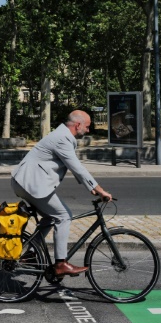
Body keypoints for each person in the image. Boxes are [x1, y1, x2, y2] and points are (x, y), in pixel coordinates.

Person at [11, 110, 112, 278]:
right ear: (78, 125)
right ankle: (60, 264)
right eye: (87, 127)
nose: (88, 131)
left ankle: (29, 254)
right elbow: (77, 167)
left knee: (51, 217)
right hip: (30, 183)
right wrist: (99, 189)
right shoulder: (62, 138)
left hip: (26, 182)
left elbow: (74, 169)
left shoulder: (62, 135)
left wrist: (91, 188)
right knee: (64, 216)